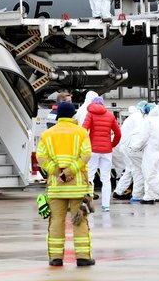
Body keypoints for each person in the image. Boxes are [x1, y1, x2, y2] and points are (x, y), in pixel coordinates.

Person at [36, 102, 95, 267]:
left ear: (58, 116)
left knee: (56, 222)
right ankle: (83, 257)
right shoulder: (81, 132)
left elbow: (41, 157)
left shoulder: (47, 134)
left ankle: (56, 258)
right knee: (80, 221)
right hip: (78, 187)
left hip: (56, 187)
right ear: (73, 115)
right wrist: (70, 172)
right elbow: (86, 155)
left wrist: (58, 173)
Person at [82, 96, 121, 211]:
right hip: (107, 151)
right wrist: (111, 144)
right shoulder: (110, 115)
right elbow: (118, 134)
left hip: (93, 150)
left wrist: (86, 145)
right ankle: (106, 206)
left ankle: (89, 204)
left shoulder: (90, 114)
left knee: (90, 177)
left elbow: (83, 130)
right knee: (106, 178)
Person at [113, 101, 149, 202]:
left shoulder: (133, 117)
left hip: (126, 147)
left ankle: (118, 192)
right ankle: (137, 194)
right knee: (137, 170)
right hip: (129, 147)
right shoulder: (137, 117)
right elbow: (142, 133)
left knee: (130, 169)